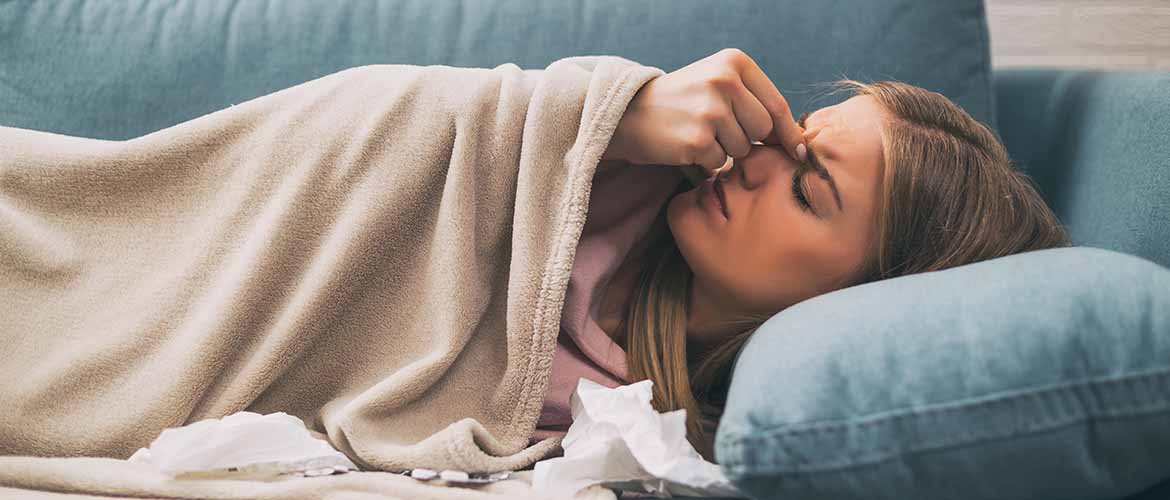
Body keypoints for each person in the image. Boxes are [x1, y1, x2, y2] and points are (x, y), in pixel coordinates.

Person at [532, 49, 1070, 461]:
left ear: (860, 298)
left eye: (805, 194)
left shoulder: (685, 437)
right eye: (794, 139)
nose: (752, 160)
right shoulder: (615, 167)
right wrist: (607, 119)